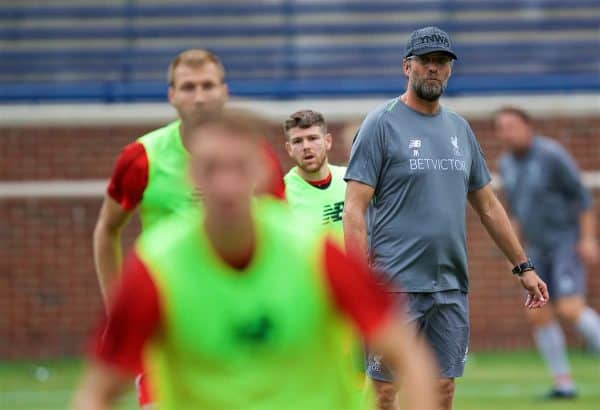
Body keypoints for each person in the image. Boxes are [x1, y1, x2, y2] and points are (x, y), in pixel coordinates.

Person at [73, 109, 439, 410]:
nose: (226, 184)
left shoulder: (315, 255)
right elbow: (95, 391)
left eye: (239, 168)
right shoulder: (156, 267)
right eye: (212, 168)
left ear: (260, 174)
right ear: (191, 176)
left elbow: (410, 355)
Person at [343, 26, 549, 410]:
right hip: (393, 286)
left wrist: (523, 265)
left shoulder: (460, 128)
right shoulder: (380, 124)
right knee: (385, 391)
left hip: (450, 286)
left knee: (442, 392)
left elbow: (487, 205)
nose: (434, 69)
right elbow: (354, 208)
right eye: (426, 62)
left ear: (450, 70)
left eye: (442, 62)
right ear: (407, 67)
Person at [92, 49, 285, 408]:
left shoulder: (253, 156)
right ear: (172, 95)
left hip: (243, 328)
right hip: (166, 332)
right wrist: (117, 310)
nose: (199, 96)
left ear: (224, 91)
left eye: (208, 85)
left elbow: (285, 235)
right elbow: (106, 230)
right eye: (188, 87)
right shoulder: (141, 157)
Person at [494, 106, 600, 399]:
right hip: (535, 249)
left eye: (513, 125)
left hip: (565, 242)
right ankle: (563, 384)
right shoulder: (507, 164)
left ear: (528, 126)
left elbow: (582, 199)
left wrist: (588, 238)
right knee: (538, 313)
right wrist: (514, 256)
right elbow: (513, 214)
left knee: (569, 308)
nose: (508, 132)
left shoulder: (552, 155)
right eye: (502, 127)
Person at [283, 110, 346, 235]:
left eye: (312, 138)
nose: (306, 146)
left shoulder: (351, 180)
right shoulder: (281, 194)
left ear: (328, 141)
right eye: (297, 141)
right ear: (289, 149)